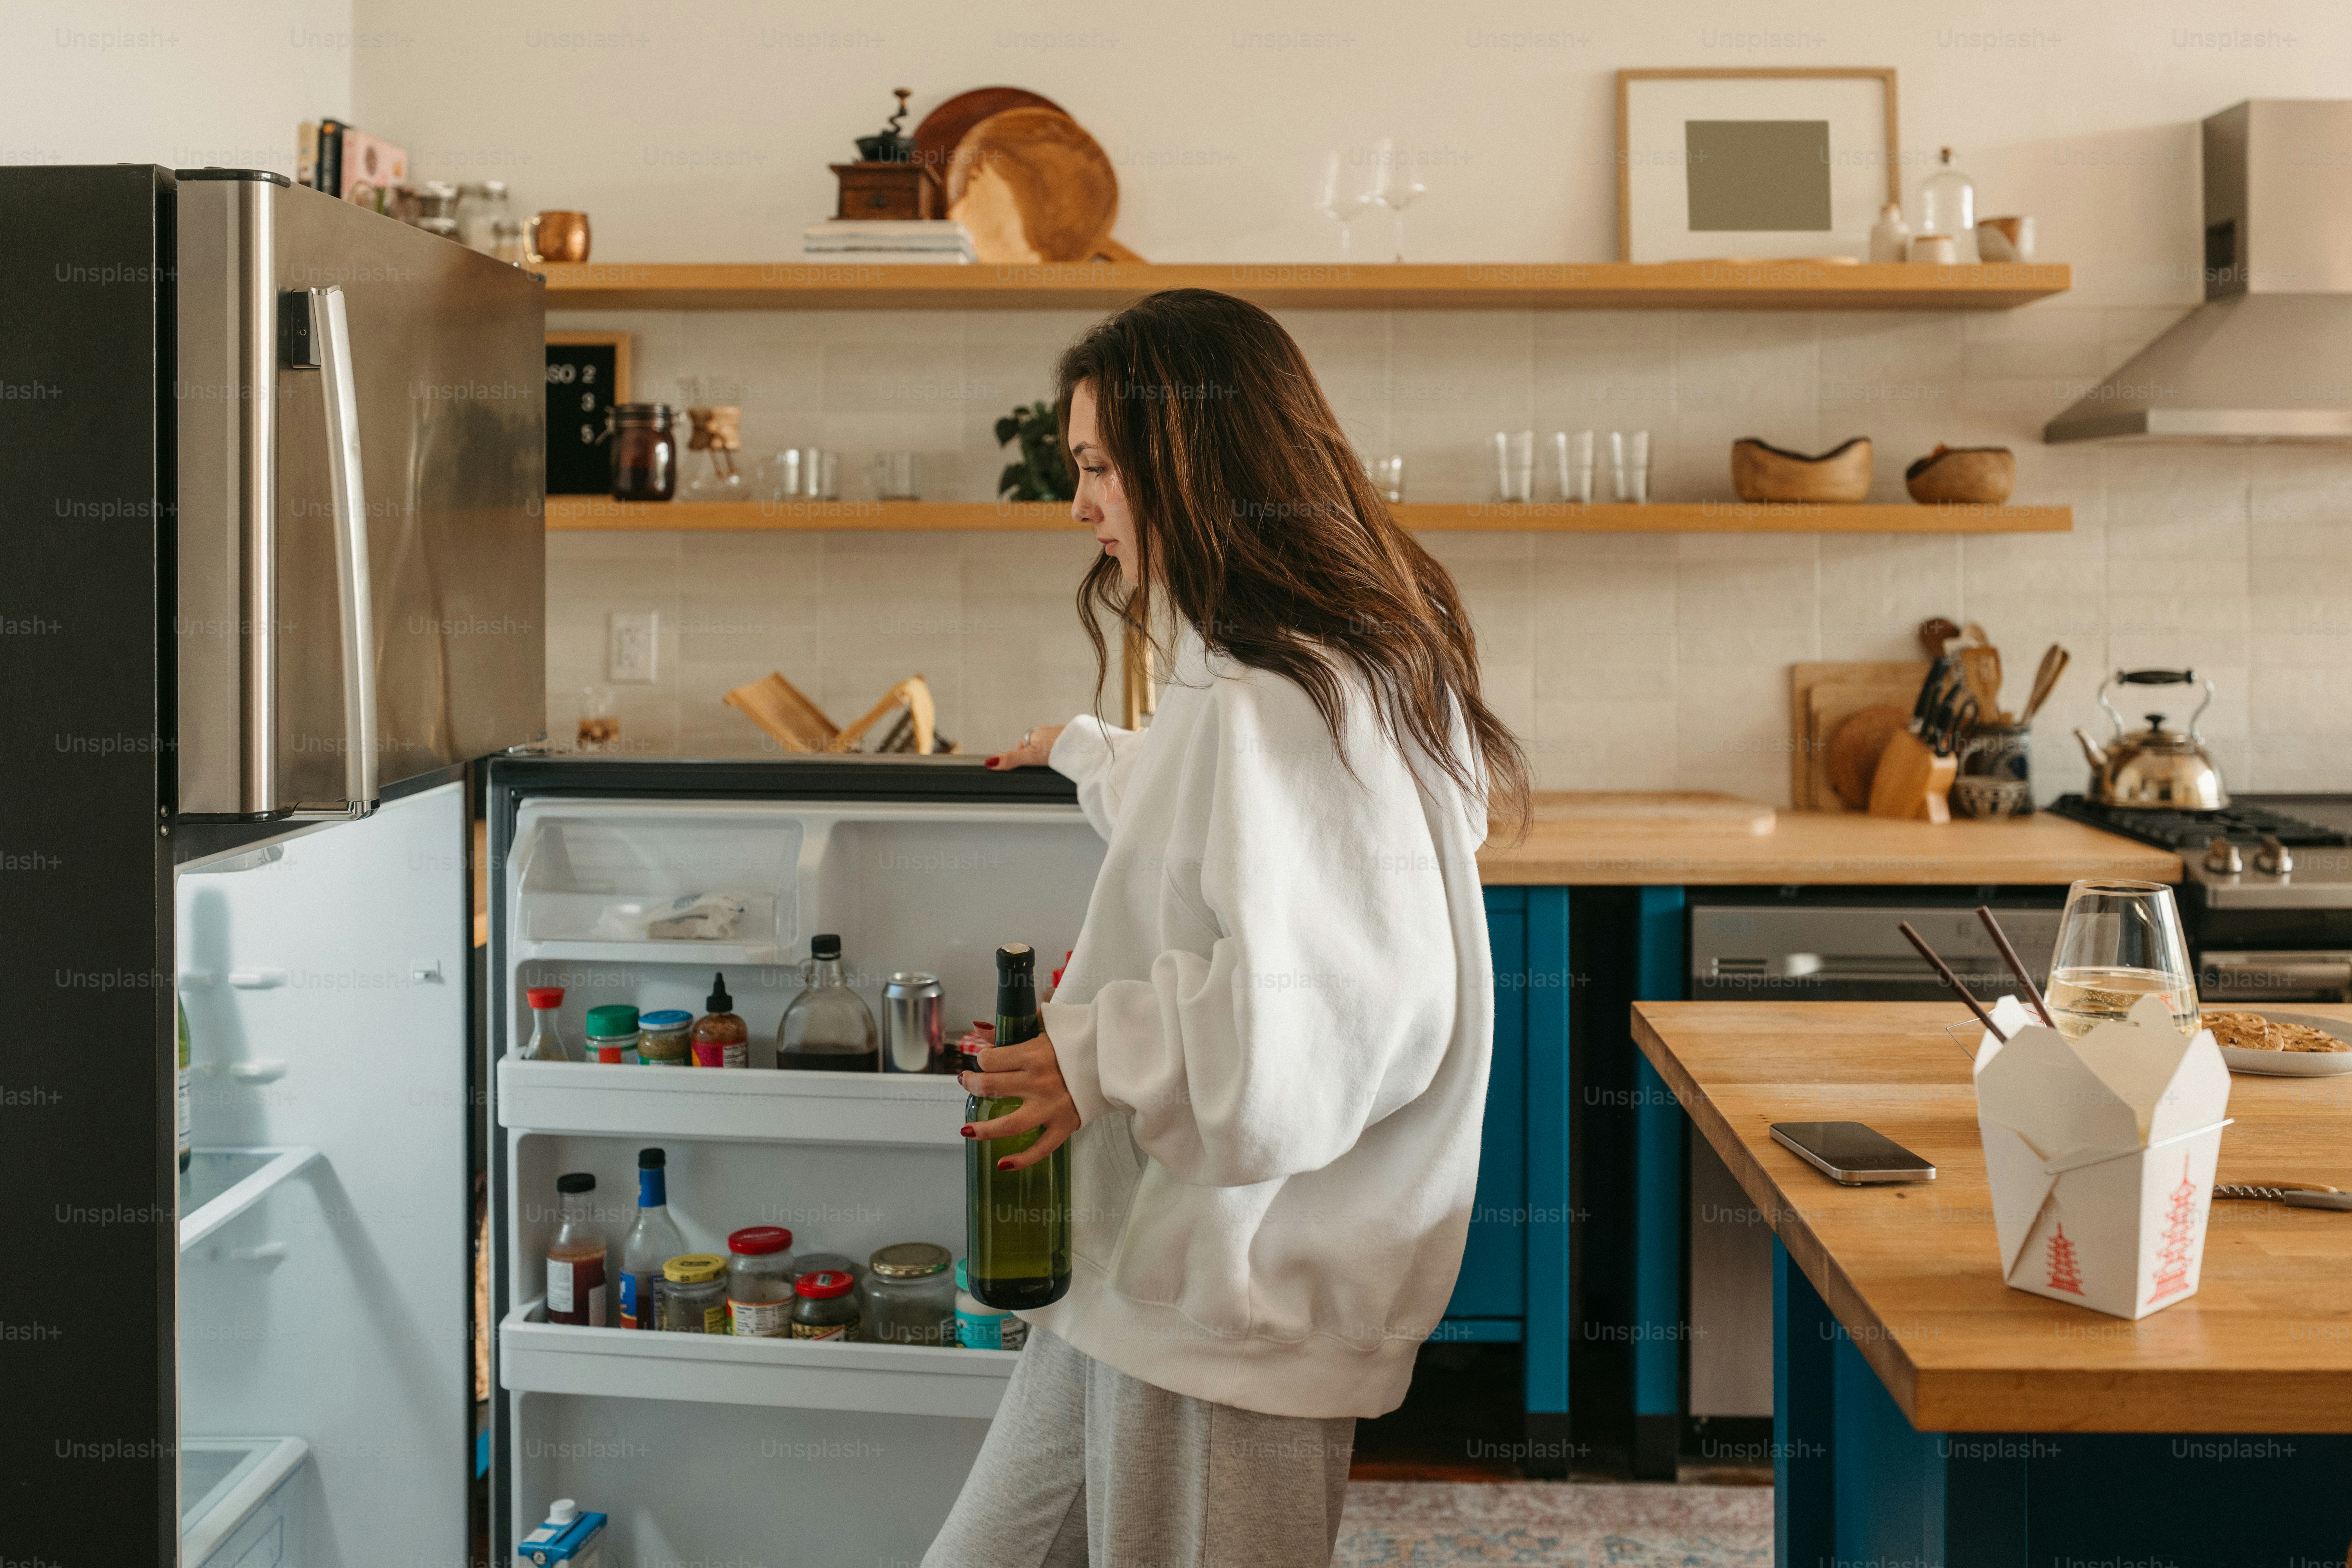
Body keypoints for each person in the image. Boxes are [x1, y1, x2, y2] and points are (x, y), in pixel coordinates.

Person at [925, 289, 1526, 1568]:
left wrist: (1097, 1061)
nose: (1079, 504)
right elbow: (1248, 844)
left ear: (1192, 463)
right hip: (1144, 1276)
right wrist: (1093, 754)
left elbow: (1336, 1005)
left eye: (1097, 467)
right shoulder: (1290, 668)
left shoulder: (1287, 695)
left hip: (1230, 1298)